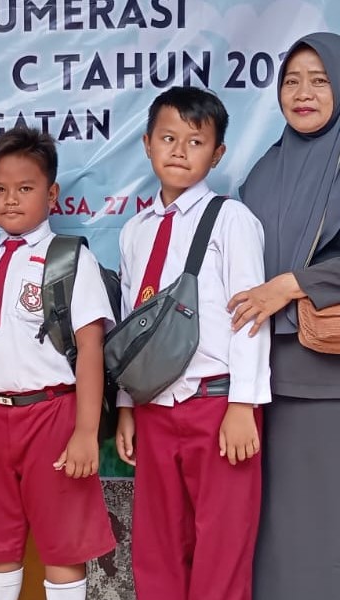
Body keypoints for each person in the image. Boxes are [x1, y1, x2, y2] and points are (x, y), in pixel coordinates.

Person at [114, 87, 271, 600]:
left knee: (222, 548)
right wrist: (126, 406)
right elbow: (132, 329)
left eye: (196, 141)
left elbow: (250, 316)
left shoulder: (232, 219)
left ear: (217, 153)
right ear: (146, 144)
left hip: (218, 405)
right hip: (155, 408)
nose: (179, 151)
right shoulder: (134, 231)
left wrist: (243, 404)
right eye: (168, 138)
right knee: (157, 546)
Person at [0, 127, 116, 600]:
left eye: (25, 188)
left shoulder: (69, 260)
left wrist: (85, 432)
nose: (10, 200)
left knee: (63, 546)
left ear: (52, 193)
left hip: (52, 416)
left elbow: (90, 349)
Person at [227, 32, 340, 600]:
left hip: (328, 377)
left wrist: (294, 283)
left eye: (320, 80)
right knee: (274, 535)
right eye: (292, 81)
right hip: (264, 379)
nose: (303, 93)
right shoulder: (263, 171)